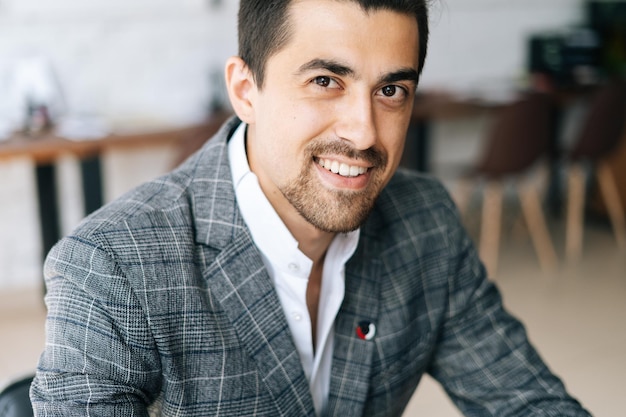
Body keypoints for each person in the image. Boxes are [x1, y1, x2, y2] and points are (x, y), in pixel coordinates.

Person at [30, 0, 592, 416]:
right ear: (246, 89)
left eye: (391, 91)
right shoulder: (111, 265)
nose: (364, 132)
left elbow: (527, 400)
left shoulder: (427, 222)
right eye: (326, 81)